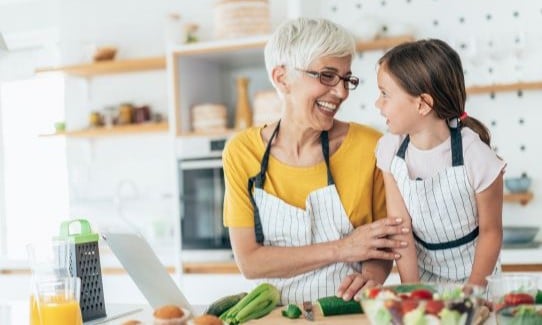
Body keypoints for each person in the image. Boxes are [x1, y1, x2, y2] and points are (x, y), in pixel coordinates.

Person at [222, 17, 410, 305]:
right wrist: (342, 249)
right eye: (326, 76)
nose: (341, 92)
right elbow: (250, 262)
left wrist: (370, 277)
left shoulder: (371, 147)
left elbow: (380, 245)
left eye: (346, 79)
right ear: (282, 78)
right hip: (274, 316)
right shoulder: (241, 152)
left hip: (346, 311)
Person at [374, 39, 505, 286]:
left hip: (479, 280)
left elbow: (491, 232)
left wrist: (472, 292)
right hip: (423, 279)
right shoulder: (389, 150)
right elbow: (401, 230)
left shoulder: (476, 156)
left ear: (422, 104)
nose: (377, 104)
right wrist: (412, 292)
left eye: (384, 94)